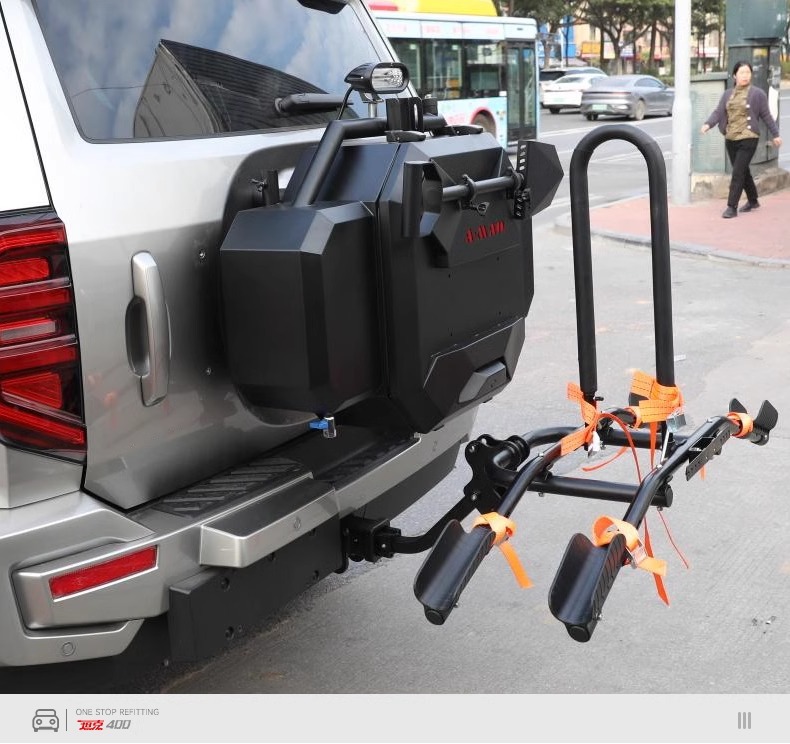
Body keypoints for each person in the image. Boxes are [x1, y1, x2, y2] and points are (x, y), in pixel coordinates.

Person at [700, 60, 782, 218]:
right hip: (731, 138)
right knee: (743, 170)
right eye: (742, 73)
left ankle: (731, 207)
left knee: (737, 172)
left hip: (749, 137)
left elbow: (766, 116)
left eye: (748, 73)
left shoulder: (758, 94)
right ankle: (753, 200)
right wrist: (708, 124)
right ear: (734, 75)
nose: (745, 76)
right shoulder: (727, 94)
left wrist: (776, 134)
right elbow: (718, 112)